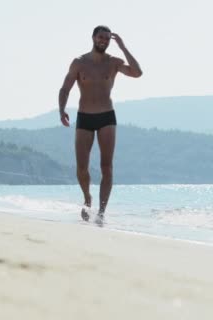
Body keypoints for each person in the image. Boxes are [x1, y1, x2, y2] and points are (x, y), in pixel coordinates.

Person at [58, 25, 142, 224]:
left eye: (107, 38)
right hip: (84, 117)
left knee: (107, 167)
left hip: (107, 117)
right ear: (93, 38)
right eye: (101, 37)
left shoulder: (113, 62)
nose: (104, 40)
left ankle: (102, 211)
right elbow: (65, 88)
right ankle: (87, 198)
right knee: (82, 167)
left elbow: (137, 73)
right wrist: (61, 110)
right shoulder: (79, 63)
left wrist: (123, 47)